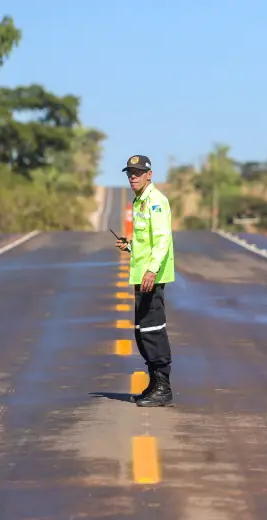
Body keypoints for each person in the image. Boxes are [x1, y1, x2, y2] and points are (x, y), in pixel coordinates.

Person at [115, 154, 176, 407]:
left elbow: (162, 240)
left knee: (152, 331)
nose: (133, 176)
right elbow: (146, 242)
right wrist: (129, 246)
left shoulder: (156, 201)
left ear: (149, 175)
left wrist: (151, 270)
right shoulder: (139, 201)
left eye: (138, 172)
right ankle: (154, 384)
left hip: (152, 277)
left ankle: (163, 388)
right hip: (142, 276)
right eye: (130, 172)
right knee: (142, 332)